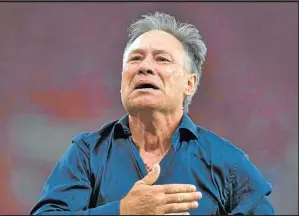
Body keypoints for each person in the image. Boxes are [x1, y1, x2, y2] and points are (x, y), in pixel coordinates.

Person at [30, 12, 275, 215]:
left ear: (189, 84)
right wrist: (123, 211)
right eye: (135, 59)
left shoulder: (227, 163)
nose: (144, 67)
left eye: (162, 59)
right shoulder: (87, 155)